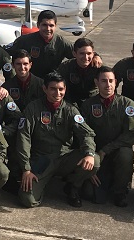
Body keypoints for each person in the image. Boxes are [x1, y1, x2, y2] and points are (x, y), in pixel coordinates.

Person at [14, 72, 97, 209]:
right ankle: (42, 183)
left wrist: (89, 153)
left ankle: (72, 186)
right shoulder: (33, 108)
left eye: (61, 89)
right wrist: (26, 169)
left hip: (64, 156)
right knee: (27, 200)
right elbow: (24, 138)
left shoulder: (71, 110)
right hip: (42, 159)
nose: (57, 93)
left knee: (95, 161)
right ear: (44, 89)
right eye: (53, 89)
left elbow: (86, 134)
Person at [80, 67, 134, 207]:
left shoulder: (127, 104)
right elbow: (83, 133)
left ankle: (120, 191)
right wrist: (91, 166)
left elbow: (131, 135)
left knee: (126, 153)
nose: (108, 85)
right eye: (104, 81)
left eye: (111, 81)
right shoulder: (88, 105)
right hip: (97, 154)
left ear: (116, 82)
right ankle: (99, 180)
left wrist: (106, 149)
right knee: (91, 195)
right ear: (97, 82)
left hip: (116, 152)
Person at [8, 10, 75, 78]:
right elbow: (7, 55)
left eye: (51, 25)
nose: (48, 29)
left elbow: (79, 56)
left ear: (55, 26)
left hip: (51, 83)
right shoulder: (24, 41)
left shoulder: (62, 43)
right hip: (31, 82)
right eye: (44, 25)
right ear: (38, 25)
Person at [56, 38, 100, 105]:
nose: (86, 57)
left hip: (93, 104)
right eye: (82, 53)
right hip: (70, 104)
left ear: (93, 54)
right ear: (74, 54)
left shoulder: (99, 68)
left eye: (89, 53)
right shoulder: (65, 68)